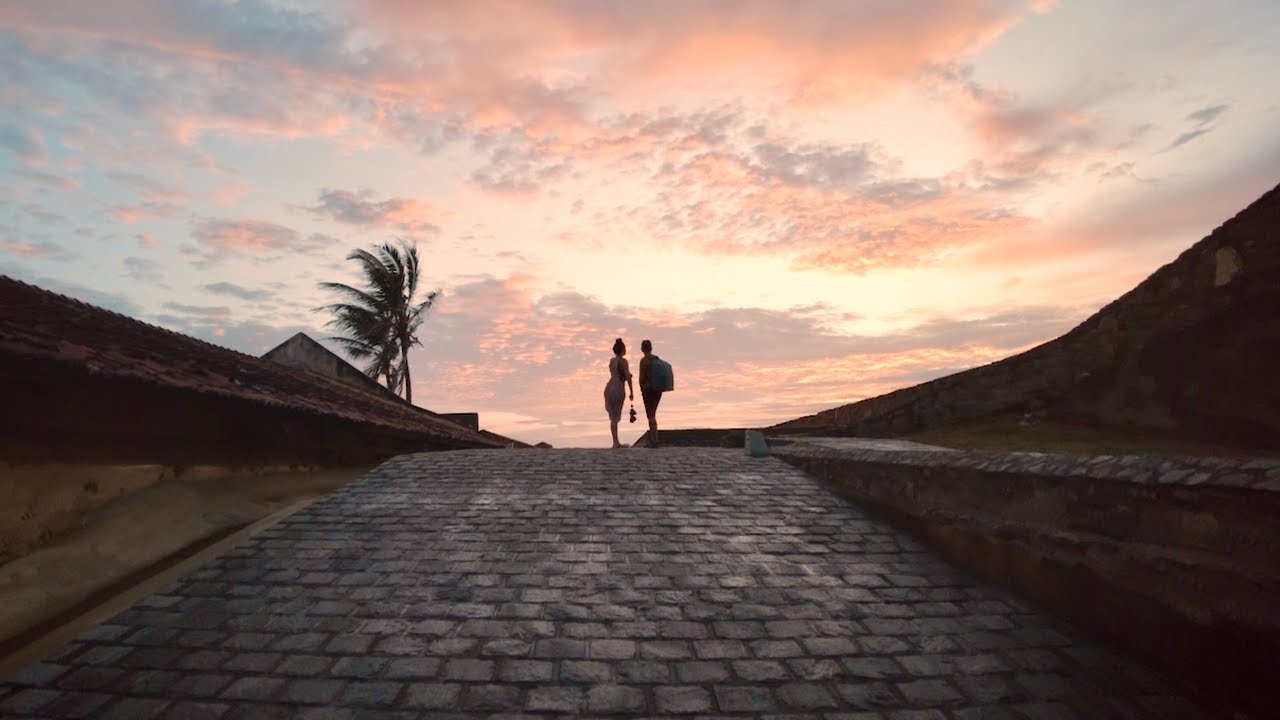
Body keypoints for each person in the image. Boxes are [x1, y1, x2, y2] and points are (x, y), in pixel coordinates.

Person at [603, 337, 634, 448]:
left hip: (609, 386)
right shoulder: (623, 361)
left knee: (613, 417)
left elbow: (616, 373)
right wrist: (631, 392)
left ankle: (615, 441)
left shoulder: (612, 361)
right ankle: (616, 442)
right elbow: (626, 376)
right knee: (616, 415)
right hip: (618, 388)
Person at [637, 339, 663, 448]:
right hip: (658, 390)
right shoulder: (656, 359)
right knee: (653, 414)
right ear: (651, 348)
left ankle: (654, 441)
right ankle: (655, 439)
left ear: (642, 349)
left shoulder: (644, 361)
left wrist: (641, 388)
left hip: (648, 390)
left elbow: (642, 378)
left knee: (650, 415)